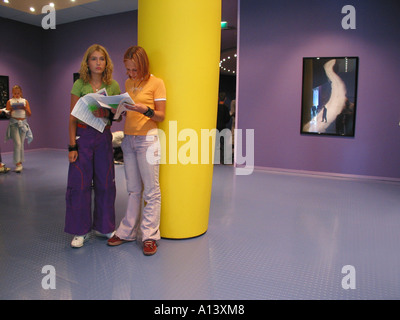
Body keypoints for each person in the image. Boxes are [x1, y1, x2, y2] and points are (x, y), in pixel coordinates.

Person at [107, 46, 166, 256]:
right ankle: (127, 231)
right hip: (129, 140)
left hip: (148, 140)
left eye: (134, 69)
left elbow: (160, 115)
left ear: (143, 65)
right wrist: (118, 110)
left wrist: (145, 109)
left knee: (151, 190)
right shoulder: (128, 83)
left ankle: (149, 235)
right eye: (128, 70)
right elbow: (126, 112)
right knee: (133, 189)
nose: (131, 74)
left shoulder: (157, 83)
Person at [65, 44, 121, 248]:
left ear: (106, 63)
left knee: (106, 183)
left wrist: (106, 113)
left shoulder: (113, 85)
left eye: (102, 59)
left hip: (103, 137)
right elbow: (71, 117)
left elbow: (117, 115)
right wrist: (72, 146)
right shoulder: (79, 85)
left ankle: (105, 227)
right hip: (83, 137)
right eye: (94, 59)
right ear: (87, 63)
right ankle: (80, 231)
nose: (98, 63)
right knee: (79, 184)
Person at [5, 85, 33, 173]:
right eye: (15, 93)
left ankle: (20, 162)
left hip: (23, 124)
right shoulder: (10, 101)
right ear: (12, 93)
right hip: (14, 124)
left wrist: (24, 108)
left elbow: (29, 114)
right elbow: (7, 114)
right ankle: (17, 164)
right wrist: (10, 111)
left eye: (18, 93)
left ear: (21, 93)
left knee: (21, 144)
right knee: (17, 143)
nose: (16, 95)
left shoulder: (24, 101)